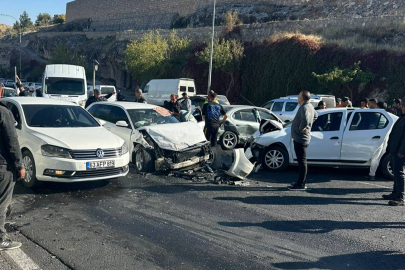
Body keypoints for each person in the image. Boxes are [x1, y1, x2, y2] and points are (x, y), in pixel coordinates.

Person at [0, 83, 26, 250]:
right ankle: (1, 238)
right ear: (1, 91)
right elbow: (12, 141)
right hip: (3, 166)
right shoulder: (3, 112)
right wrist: (19, 165)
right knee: (2, 202)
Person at [289, 90, 318, 191]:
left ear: (302, 98)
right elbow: (315, 116)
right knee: (302, 161)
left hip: (300, 138)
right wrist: (309, 126)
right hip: (302, 137)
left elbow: (305, 119)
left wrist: (303, 128)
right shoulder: (309, 106)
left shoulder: (305, 107)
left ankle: (301, 184)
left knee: (302, 162)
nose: (297, 98)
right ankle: (300, 182)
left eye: (298, 96)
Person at [384, 98, 405, 206]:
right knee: (396, 173)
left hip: (400, 152)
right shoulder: (402, 117)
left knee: (399, 173)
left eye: (402, 105)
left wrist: (402, 151)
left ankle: (400, 197)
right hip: (394, 150)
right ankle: (395, 193)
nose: (401, 107)